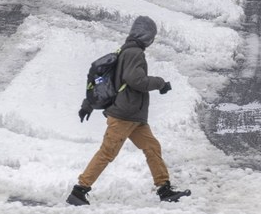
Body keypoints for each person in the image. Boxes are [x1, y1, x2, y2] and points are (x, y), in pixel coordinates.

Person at [67, 16, 190, 206]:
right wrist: (160, 83)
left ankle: (164, 189)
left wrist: (88, 104)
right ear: (146, 35)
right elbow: (135, 80)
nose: (152, 40)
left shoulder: (124, 51)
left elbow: (111, 80)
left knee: (152, 147)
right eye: (152, 36)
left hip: (134, 116)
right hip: (124, 115)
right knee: (107, 152)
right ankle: (79, 190)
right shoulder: (134, 53)